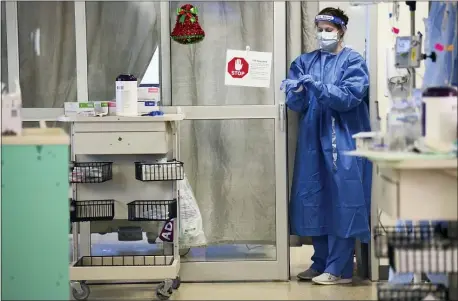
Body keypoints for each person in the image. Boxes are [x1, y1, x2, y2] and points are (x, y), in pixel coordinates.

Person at [280, 7, 372, 285]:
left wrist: (318, 87)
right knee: (313, 200)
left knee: (343, 201)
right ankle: (320, 262)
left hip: (343, 140)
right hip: (312, 140)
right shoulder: (304, 62)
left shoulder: (353, 62)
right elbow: (297, 103)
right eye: (319, 28)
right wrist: (294, 92)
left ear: (341, 30)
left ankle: (339, 268)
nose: (322, 34)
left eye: (328, 29)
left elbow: (348, 98)